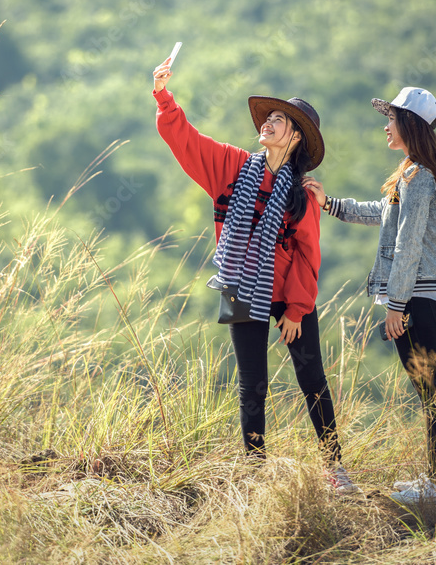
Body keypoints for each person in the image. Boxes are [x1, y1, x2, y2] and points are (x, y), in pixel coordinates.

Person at [152, 55, 358, 492]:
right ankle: (255, 473)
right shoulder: (230, 167)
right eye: (268, 118)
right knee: (252, 385)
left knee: (312, 380)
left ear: (296, 136)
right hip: (241, 287)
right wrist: (164, 95)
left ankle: (335, 470)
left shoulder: (301, 194)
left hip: (288, 297)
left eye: (279, 120)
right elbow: (185, 140)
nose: (267, 123)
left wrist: (298, 310)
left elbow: (307, 254)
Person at [304, 87, 436, 505]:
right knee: (432, 390)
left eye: (391, 118)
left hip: (417, 297)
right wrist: (332, 204)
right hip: (428, 294)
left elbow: (409, 245)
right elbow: (387, 215)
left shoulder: (418, 176)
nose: (385, 125)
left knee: (432, 391)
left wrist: (396, 306)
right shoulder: (419, 172)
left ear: (409, 123)